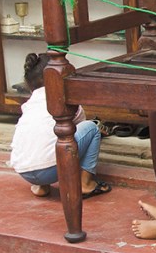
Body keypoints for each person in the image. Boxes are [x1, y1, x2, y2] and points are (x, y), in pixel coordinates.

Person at [9, 53, 111, 199]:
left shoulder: (30, 104)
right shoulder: (62, 98)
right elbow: (81, 125)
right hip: (51, 169)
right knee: (92, 129)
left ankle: (41, 186)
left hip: (24, 171)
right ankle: (85, 183)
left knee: (44, 138)